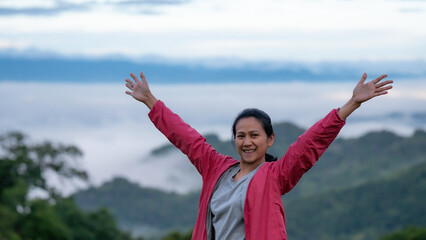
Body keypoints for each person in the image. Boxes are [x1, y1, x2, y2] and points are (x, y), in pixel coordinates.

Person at [124, 72, 393, 240]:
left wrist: (351, 105)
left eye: (255, 135)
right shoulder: (216, 168)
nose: (247, 142)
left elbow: (310, 144)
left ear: (270, 140)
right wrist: (150, 101)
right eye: (241, 136)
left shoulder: (275, 176)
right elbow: (186, 138)